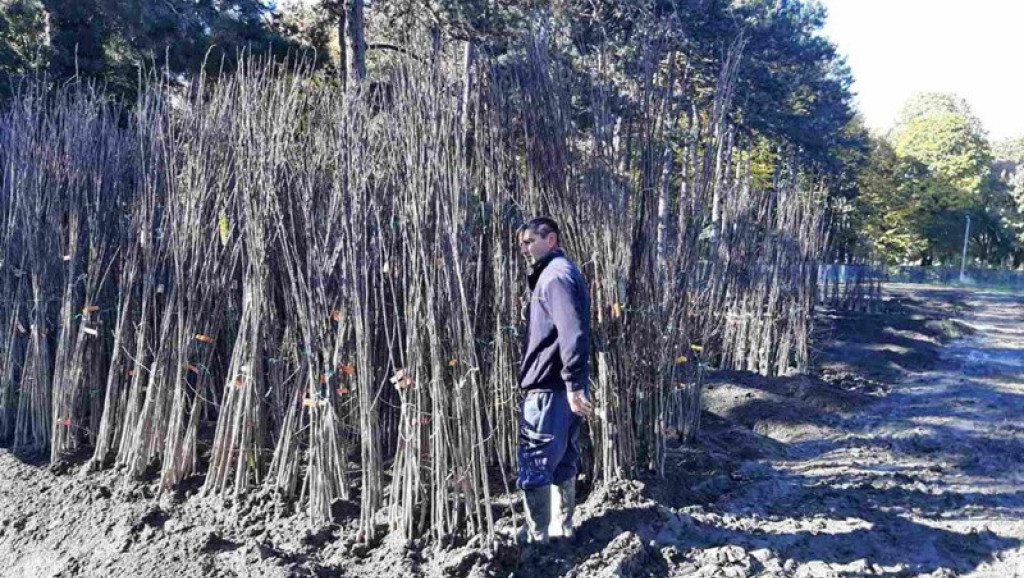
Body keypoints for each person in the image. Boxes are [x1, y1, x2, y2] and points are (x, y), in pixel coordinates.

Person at [515, 217, 594, 544]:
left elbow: (571, 332)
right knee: (563, 459)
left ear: (551, 240)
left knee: (536, 458)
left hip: (550, 388)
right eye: (522, 244)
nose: (524, 249)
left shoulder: (555, 277)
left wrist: (574, 384)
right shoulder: (562, 273)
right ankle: (562, 528)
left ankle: (540, 536)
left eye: (529, 241)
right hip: (561, 387)